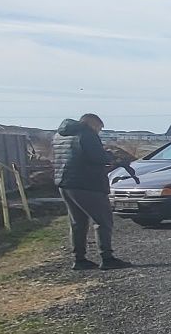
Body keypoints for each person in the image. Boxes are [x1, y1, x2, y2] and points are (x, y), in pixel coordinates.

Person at [54, 113, 130, 270]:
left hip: (65, 183)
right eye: (99, 128)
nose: (99, 132)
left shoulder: (60, 135)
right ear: (92, 124)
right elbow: (97, 157)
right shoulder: (87, 134)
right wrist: (110, 156)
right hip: (87, 184)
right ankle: (107, 258)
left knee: (77, 222)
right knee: (102, 221)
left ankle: (79, 259)